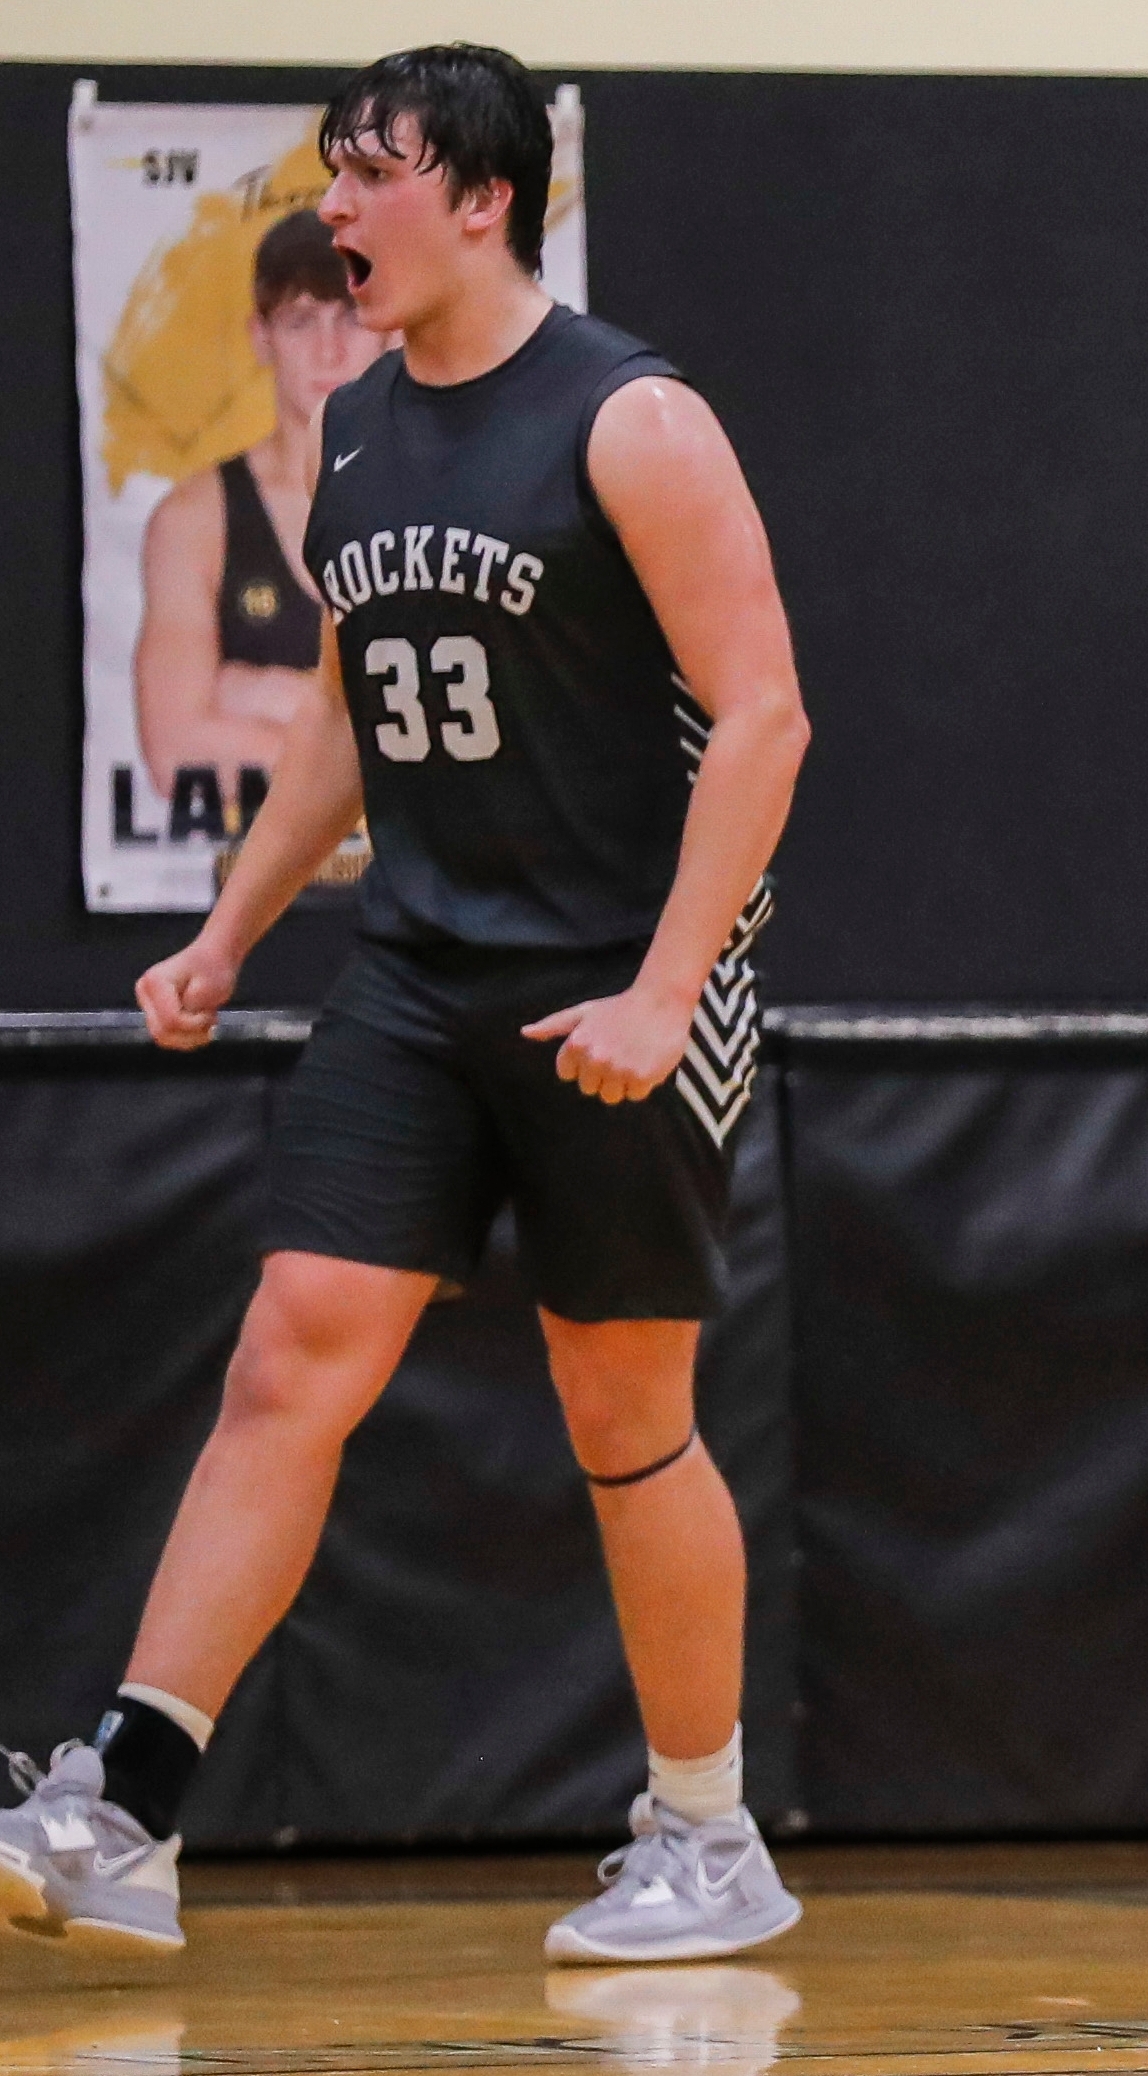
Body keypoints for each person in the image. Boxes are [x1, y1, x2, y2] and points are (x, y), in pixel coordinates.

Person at [0, 44, 813, 1962]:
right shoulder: (357, 427)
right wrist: (226, 929)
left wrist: (664, 985)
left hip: (619, 981)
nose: (335, 208)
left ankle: (706, 1834)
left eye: (369, 174)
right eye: (330, 172)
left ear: (481, 198)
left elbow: (766, 715)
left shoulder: (635, 418)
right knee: (296, 1341)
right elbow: (347, 723)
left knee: (626, 1410)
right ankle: (129, 1798)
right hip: (423, 971)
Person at [134, 208, 390, 843]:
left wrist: (260, 694)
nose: (329, 349)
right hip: (249, 901)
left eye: (351, 317)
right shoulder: (195, 520)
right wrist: (377, 749)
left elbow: (484, 741)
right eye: (301, 321)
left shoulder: (446, 499)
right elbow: (173, 753)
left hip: (415, 910)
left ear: (387, 327)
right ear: (260, 336)